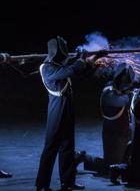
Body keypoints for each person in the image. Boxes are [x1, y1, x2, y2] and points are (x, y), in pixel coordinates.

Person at [35, 36, 105, 191]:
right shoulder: (47, 67)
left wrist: (93, 60)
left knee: (68, 145)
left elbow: (80, 72)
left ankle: (67, 182)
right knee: (51, 147)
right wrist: (81, 59)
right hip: (57, 106)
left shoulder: (58, 64)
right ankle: (42, 185)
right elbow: (72, 69)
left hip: (67, 105)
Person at [78, 64, 135, 176]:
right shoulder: (108, 93)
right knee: (110, 168)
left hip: (124, 130)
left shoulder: (119, 91)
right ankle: (83, 157)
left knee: (122, 163)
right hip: (113, 134)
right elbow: (122, 101)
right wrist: (133, 94)